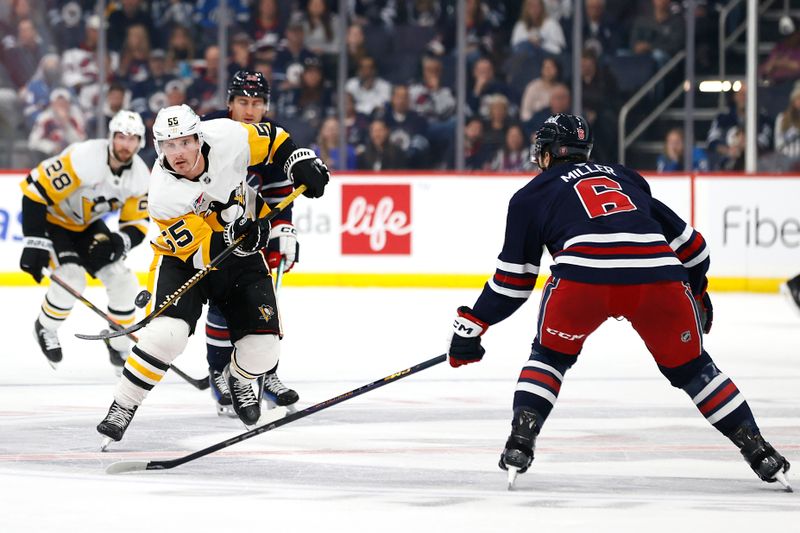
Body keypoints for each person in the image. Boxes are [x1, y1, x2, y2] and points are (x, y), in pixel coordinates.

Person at [446, 113, 792, 491]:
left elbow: (513, 283)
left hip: (583, 277)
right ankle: (759, 450)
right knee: (695, 371)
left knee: (550, 357)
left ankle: (520, 441)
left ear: (546, 153)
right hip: (659, 275)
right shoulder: (625, 177)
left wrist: (472, 324)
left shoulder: (531, 194)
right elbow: (695, 249)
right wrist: (697, 291)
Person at [96, 104, 329, 448]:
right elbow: (204, 251)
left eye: (184, 142)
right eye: (168, 145)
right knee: (166, 335)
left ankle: (238, 377)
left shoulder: (229, 136)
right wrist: (243, 234)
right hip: (185, 260)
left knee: (265, 351)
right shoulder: (163, 194)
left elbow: (276, 139)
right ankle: (123, 405)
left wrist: (301, 161)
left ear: (199, 137)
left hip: (240, 250)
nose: (177, 153)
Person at [201, 69, 303, 417]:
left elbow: (278, 192)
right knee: (222, 302)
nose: (249, 109)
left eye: (257, 103)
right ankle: (219, 372)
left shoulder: (270, 139)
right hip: (211, 230)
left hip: (252, 232)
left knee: (264, 303)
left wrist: (284, 229)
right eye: (242, 101)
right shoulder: (208, 131)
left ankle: (266, 373)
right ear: (229, 104)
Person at [20, 110, 150, 371]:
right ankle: (45, 327)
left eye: (133, 138)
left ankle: (119, 345)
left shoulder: (139, 175)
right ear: (111, 137)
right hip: (54, 220)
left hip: (87, 226)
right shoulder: (85, 156)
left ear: (140, 142)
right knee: (71, 278)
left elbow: (137, 223)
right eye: (121, 137)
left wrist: (117, 242)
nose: (126, 144)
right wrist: (34, 241)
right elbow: (35, 190)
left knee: (123, 280)